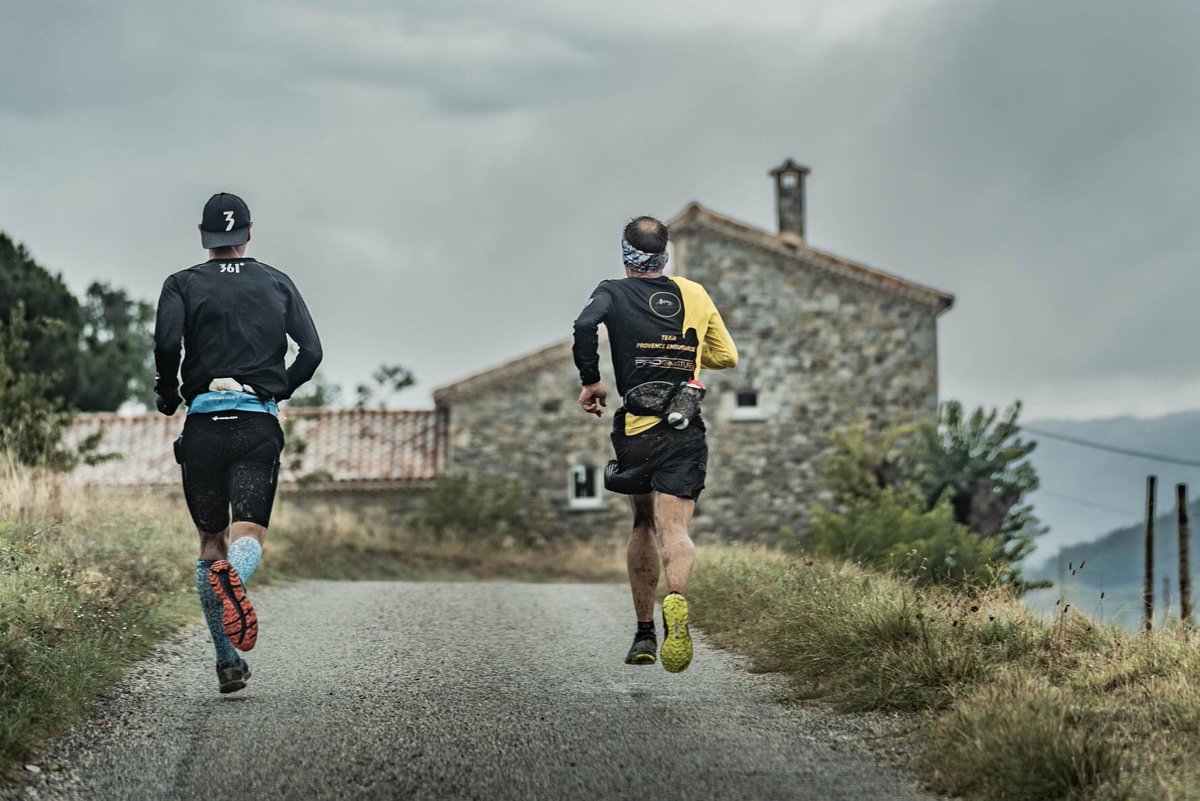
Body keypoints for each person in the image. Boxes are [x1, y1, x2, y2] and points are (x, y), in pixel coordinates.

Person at [154, 192, 322, 693]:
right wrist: (278, 387)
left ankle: (227, 663)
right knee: (248, 535)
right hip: (255, 426)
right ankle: (238, 577)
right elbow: (311, 351)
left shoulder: (181, 283)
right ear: (248, 231)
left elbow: (166, 344)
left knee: (211, 542)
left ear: (203, 236)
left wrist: (169, 393)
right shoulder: (276, 281)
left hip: (204, 426)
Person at [572, 216, 738, 673]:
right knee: (676, 530)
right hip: (685, 425)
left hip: (639, 428)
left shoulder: (612, 290)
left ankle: (644, 632)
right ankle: (677, 600)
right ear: (665, 256)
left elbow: (584, 326)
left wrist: (591, 382)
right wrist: (683, 355)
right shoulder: (695, 293)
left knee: (643, 524)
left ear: (627, 257)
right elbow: (728, 355)